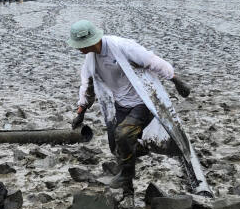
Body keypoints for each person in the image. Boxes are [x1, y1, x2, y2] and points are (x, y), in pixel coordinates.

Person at [67, 20, 190, 198]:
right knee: (117, 146)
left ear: (92, 40)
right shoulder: (90, 59)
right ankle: (128, 192)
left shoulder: (121, 46)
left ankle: (126, 175)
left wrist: (176, 80)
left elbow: (152, 61)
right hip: (121, 104)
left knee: (123, 134)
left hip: (143, 101)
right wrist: (81, 111)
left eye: (80, 45)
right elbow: (87, 86)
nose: (78, 49)